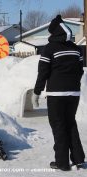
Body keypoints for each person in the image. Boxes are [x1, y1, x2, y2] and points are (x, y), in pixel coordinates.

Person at [32, 15, 85, 171]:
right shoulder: (77, 49)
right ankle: (78, 159)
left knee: (59, 126)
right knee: (70, 124)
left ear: (55, 33)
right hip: (74, 94)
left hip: (56, 95)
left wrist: (37, 91)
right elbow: (80, 71)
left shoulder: (49, 49)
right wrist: (73, 84)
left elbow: (43, 72)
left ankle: (62, 163)